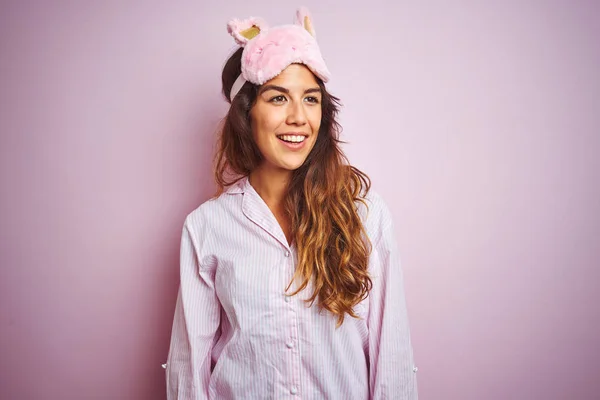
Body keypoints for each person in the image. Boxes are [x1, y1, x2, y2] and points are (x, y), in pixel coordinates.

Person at [165, 7, 418, 399]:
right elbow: (189, 368)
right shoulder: (206, 227)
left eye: (311, 99)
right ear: (247, 113)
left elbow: (393, 359)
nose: (299, 117)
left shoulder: (366, 216)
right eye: (278, 97)